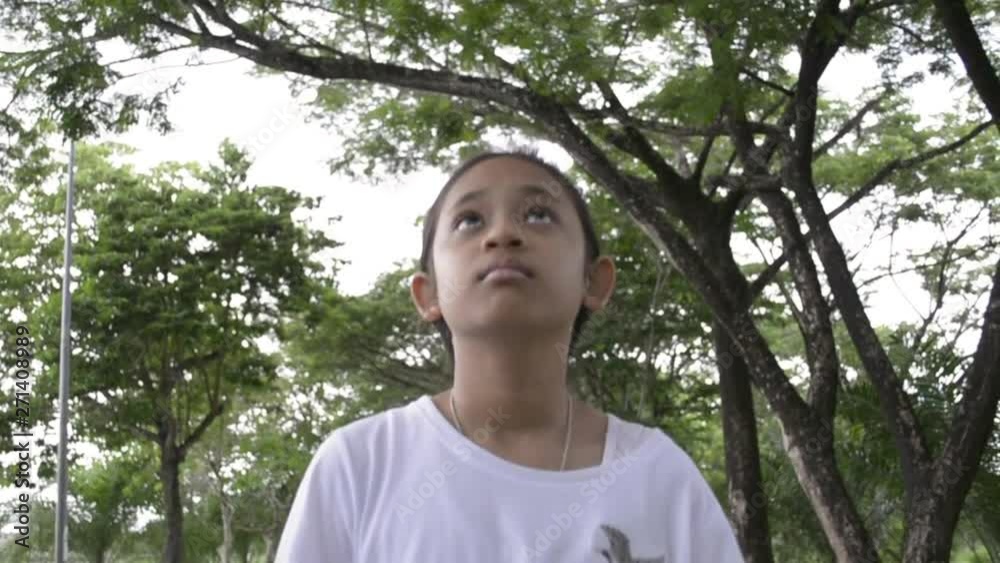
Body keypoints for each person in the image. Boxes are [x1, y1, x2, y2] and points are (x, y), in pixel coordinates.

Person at [275, 147, 744, 562]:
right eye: (470, 220)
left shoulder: (659, 475)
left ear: (594, 281)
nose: (502, 234)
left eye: (538, 215)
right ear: (428, 294)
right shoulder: (359, 466)